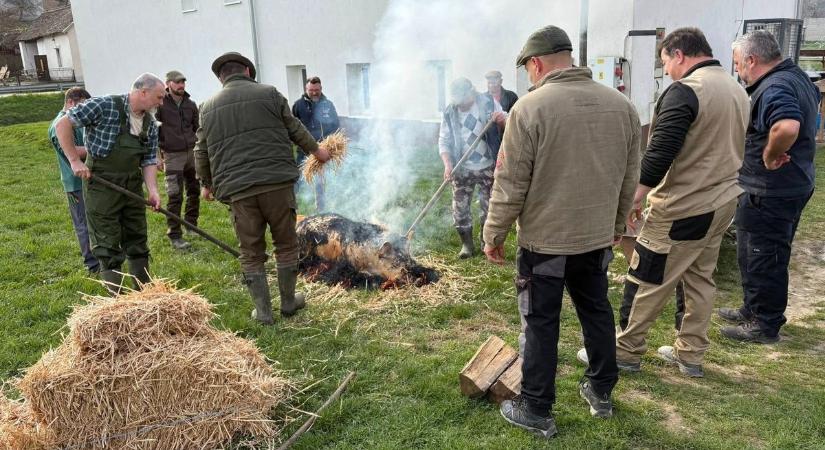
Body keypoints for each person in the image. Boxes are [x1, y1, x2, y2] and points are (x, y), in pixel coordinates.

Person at [484, 25, 640, 438]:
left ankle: (536, 408)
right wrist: (617, 224)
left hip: (546, 243)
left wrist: (493, 233)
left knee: (540, 321)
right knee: (596, 310)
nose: (529, 75)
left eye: (527, 68)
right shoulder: (622, 105)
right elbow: (630, 176)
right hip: (596, 238)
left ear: (536, 64)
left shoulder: (529, 108)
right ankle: (601, 390)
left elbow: (510, 182)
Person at [580, 28, 749, 379]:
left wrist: (633, 198)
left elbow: (659, 153)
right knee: (700, 279)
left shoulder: (687, 91)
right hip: (724, 201)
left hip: (683, 207)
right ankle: (691, 354)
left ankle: (625, 350)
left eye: (665, 63)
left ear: (679, 54)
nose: (667, 71)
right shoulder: (735, 88)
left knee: (646, 275)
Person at [195, 52, 330, 325]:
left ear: (221, 78)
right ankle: (289, 302)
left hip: (238, 189)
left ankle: (264, 313)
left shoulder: (206, 107)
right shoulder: (270, 93)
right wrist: (318, 151)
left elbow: (201, 150)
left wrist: (206, 185)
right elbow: (295, 128)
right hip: (276, 183)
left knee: (251, 252)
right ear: (247, 71)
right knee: (286, 244)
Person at [719, 30, 821, 343]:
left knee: (765, 256)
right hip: (788, 184)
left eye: (738, 64)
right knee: (752, 253)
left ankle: (764, 324)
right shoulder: (796, 75)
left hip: (772, 190)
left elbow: (787, 126)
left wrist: (770, 154)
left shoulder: (776, 86)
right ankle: (752, 308)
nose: (738, 70)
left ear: (752, 60)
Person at [55, 73, 164, 294]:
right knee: (106, 240)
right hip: (102, 184)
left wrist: (153, 190)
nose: (161, 103)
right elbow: (63, 124)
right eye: (159, 97)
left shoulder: (150, 122)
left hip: (132, 184)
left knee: (137, 235)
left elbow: (149, 160)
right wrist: (74, 160)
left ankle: (145, 294)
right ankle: (117, 299)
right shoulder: (104, 105)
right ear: (143, 92)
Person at [438, 77, 505, 259]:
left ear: (471, 92)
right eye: (457, 101)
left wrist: (500, 120)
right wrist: (448, 164)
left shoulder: (488, 102)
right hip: (462, 167)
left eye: (463, 100)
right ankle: (467, 245)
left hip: (488, 165)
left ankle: (486, 243)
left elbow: (507, 122)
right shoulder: (450, 112)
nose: (460, 105)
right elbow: (443, 140)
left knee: (489, 208)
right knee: (460, 209)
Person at [48, 87, 99, 274]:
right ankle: (92, 264)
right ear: (71, 102)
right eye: (82, 105)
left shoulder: (74, 120)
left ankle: (101, 257)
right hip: (75, 184)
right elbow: (74, 151)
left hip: (88, 180)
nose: (84, 110)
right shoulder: (59, 125)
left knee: (94, 220)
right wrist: (97, 147)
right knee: (83, 223)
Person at [155, 70, 200, 250]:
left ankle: (191, 225)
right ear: (168, 84)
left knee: (194, 191)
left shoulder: (190, 104)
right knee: (174, 195)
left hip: (192, 154)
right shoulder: (160, 104)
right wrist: (156, 155)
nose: (181, 85)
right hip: (172, 156)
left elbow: (197, 129)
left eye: (183, 82)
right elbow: (152, 130)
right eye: (177, 82)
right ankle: (175, 234)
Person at [291, 76, 339, 211]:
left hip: (323, 151)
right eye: (311, 90)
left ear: (321, 88)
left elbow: (336, 125)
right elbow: (291, 127)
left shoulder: (328, 105)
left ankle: (321, 209)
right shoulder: (298, 105)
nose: (314, 93)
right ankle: (292, 207)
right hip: (304, 151)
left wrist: (330, 144)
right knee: (297, 179)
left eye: (316, 90)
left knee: (320, 181)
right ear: (306, 89)